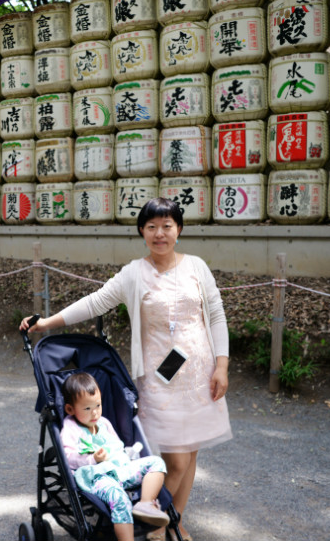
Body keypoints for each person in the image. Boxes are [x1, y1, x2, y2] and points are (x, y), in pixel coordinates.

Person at [21, 198, 231, 541]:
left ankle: (174, 522)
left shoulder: (196, 266)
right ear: (141, 232)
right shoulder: (135, 273)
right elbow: (94, 301)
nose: (160, 234)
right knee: (174, 462)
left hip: (200, 376)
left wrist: (221, 365)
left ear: (179, 230)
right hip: (160, 380)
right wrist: (45, 323)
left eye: (167, 226)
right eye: (152, 227)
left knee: (190, 456)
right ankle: (154, 522)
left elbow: (218, 316)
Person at [60, 372, 170, 541]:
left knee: (156, 462)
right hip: (97, 477)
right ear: (70, 409)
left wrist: (128, 457)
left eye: (98, 405)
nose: (95, 413)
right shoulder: (71, 428)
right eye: (87, 409)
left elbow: (117, 446)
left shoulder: (103, 423)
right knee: (119, 498)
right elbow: (67, 458)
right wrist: (92, 459)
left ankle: (145, 503)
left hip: (120, 470)